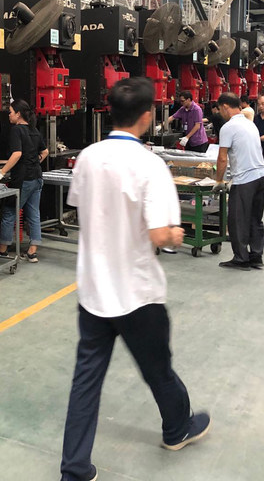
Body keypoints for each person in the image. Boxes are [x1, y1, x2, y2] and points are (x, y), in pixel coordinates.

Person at [59, 77, 210, 481]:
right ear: (146, 116)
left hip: (93, 292)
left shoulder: (88, 157)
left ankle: (74, 468)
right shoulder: (149, 164)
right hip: (137, 295)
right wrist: (176, 234)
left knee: (85, 382)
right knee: (158, 369)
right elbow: (160, 235)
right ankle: (177, 428)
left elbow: (84, 208)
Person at [214, 92, 264, 270]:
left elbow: (222, 158)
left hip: (245, 180)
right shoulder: (250, 124)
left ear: (225, 107)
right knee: (255, 219)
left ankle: (241, 258)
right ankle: (256, 257)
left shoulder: (228, 127)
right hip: (261, 176)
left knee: (237, 220)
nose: (220, 113)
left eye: (220, 109)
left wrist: (219, 180)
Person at [0, 99, 48, 263]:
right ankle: (32, 252)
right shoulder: (34, 130)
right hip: (37, 178)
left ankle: (2, 250)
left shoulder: (16, 130)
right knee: (34, 214)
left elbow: (17, 154)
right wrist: (34, 162)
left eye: (10, 112)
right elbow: (45, 152)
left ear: (18, 114)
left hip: (24, 180)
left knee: (9, 212)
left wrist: (0, 173)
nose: (8, 115)